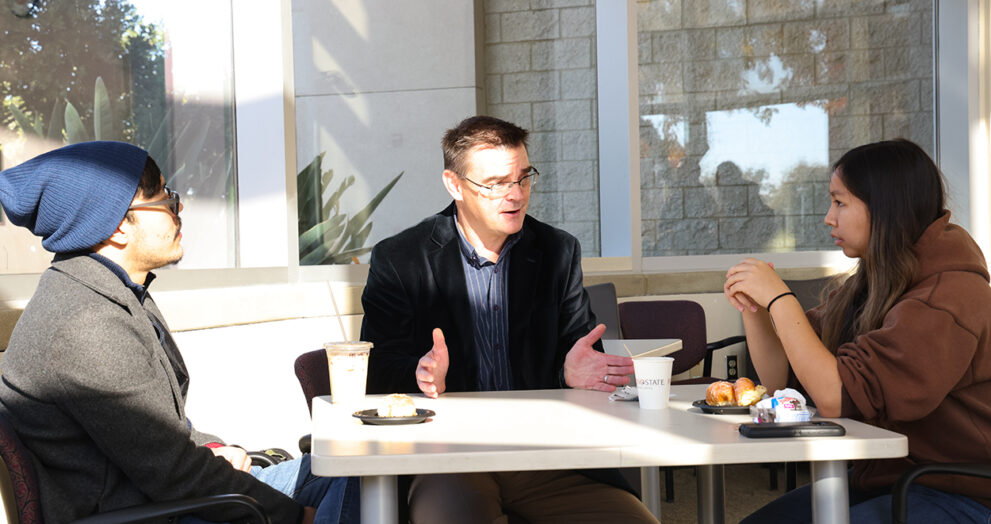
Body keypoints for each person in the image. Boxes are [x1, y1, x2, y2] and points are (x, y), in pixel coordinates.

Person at [0, 141, 358, 524]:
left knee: (359, 472)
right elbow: (174, 474)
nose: (178, 208)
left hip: (164, 497)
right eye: (163, 199)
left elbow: (159, 437)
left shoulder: (111, 292)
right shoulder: (85, 324)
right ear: (119, 225)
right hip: (149, 513)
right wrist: (296, 517)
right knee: (362, 488)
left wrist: (218, 447)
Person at [360, 115, 658, 523]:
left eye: (523, 178)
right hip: (448, 456)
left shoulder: (557, 251)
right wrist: (421, 373)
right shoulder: (401, 258)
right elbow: (376, 368)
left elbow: (581, 356)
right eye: (497, 183)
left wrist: (567, 373)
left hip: (544, 454)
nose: (516, 195)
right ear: (454, 185)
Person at [723, 139, 991, 523]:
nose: (828, 217)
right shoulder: (876, 279)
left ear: (885, 207)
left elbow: (836, 396)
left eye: (840, 202)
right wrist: (756, 309)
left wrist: (781, 300)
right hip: (887, 476)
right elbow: (782, 376)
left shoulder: (948, 296)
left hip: (960, 492)